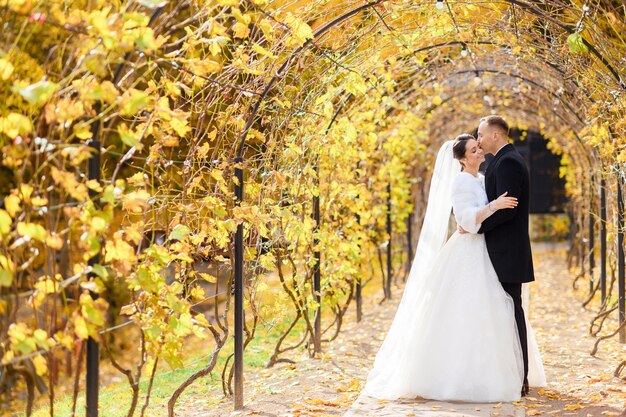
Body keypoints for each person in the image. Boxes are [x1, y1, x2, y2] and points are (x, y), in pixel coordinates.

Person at [361, 134, 545, 403]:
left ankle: (495, 371)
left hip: (484, 250)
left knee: (492, 310)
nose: (479, 151)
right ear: (461, 159)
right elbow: (467, 220)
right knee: (465, 310)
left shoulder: (481, 179)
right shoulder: (460, 182)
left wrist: (490, 210)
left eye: (478, 146)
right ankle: (458, 378)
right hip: (467, 251)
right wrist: (494, 205)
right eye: (473, 150)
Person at [474, 115, 544, 396]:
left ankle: (520, 377)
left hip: (507, 252)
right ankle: (509, 373)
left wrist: (477, 227)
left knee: (512, 311)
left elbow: (508, 209)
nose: (477, 140)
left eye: (480, 135)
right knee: (504, 311)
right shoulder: (501, 161)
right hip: (502, 250)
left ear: (494, 135)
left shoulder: (509, 162)